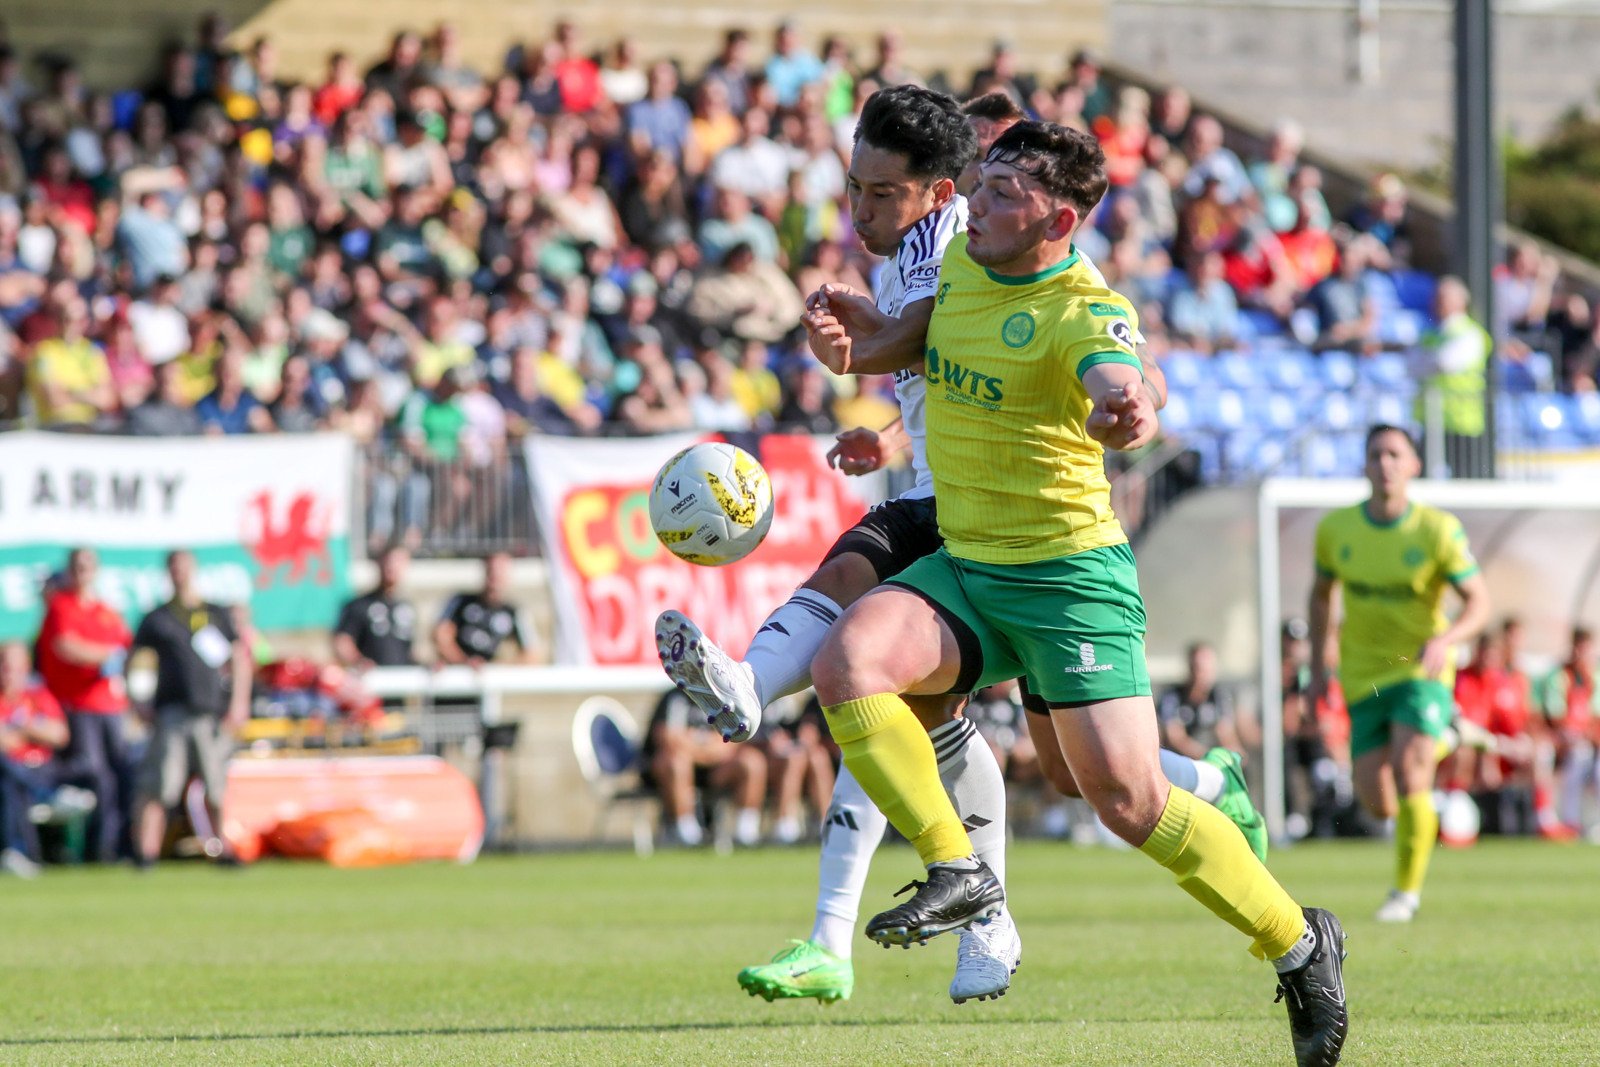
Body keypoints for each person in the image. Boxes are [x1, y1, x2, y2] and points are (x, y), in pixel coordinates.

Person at [805, 121, 1346, 1066]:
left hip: (1065, 584)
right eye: (986, 179)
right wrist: (856, 342)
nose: (980, 201)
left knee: (1122, 802)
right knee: (846, 659)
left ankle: (1298, 943)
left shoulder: (1081, 306)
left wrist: (1130, 402)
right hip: (970, 567)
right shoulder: (968, 259)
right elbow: (912, 341)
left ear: (1059, 221)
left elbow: (1122, 375)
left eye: (1007, 192)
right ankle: (958, 868)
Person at [1310, 423, 1491, 924]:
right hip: (1363, 674)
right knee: (1379, 804)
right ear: (1364, 465)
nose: (1385, 463)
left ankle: (1404, 895)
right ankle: (1447, 734)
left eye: (1395, 454)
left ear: (1414, 465)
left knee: (1413, 771)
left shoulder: (1437, 529)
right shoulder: (1336, 530)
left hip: (1420, 669)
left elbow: (1479, 602)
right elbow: (1320, 597)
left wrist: (1447, 638)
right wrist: (1317, 670)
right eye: (1376, 454)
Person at [129, 550, 251, 867]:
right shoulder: (158, 618)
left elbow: (238, 659)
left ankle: (222, 848)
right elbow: (136, 661)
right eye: (174, 568)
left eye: (184, 567)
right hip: (171, 712)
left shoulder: (214, 613)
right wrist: (138, 702)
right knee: (160, 786)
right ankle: (146, 854)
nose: (179, 573)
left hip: (211, 713)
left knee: (215, 786)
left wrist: (238, 703)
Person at [34, 547, 133, 862]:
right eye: (77, 566)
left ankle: (117, 844)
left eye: (88, 566)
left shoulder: (105, 610)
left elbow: (127, 645)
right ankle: (97, 847)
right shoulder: (61, 607)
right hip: (77, 705)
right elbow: (66, 646)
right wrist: (106, 654)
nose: (82, 572)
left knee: (119, 774)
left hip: (110, 705)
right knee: (95, 774)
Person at [0, 641, 75, 876]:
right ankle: (21, 851)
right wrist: (31, 730)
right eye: (4, 666)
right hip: (11, 771)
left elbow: (59, 734)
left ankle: (21, 852)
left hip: (43, 768)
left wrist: (24, 728)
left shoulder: (37, 695)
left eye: (15, 667)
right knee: (10, 778)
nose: (9, 673)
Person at [1409, 276, 1492, 478]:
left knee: (1465, 482)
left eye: (1443, 297)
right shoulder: (1431, 333)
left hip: (1462, 422)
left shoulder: (1470, 333)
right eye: (1436, 297)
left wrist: (1427, 361)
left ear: (1461, 301)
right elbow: (1411, 365)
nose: (1437, 302)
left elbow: (1444, 363)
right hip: (1431, 420)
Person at [432, 552, 540, 666]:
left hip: (487, 677)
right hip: (457, 671)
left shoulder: (514, 612)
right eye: (492, 571)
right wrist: (464, 663)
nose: (495, 577)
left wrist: (496, 669)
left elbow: (532, 653)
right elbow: (440, 636)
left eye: (500, 572)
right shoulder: (460, 601)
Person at [333, 545, 418, 669]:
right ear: (378, 563)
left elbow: (408, 652)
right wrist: (359, 662)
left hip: (402, 683)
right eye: (388, 561)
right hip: (369, 683)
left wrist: (426, 666)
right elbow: (341, 642)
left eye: (398, 561)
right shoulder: (358, 605)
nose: (392, 566)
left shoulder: (406, 607)